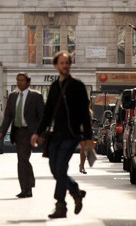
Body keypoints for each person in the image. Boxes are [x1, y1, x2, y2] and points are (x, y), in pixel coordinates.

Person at [31, 51, 93, 219]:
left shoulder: (77, 86)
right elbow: (47, 114)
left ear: (70, 65)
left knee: (61, 167)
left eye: (67, 63)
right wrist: (38, 133)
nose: (65, 66)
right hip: (56, 134)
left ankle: (60, 205)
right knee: (55, 169)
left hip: (72, 135)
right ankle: (75, 191)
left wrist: (88, 137)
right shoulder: (54, 87)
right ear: (56, 65)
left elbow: (85, 114)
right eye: (62, 63)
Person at [0, 73, 44, 198]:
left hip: (30, 132)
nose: (19, 82)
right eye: (18, 80)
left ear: (28, 82)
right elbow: (8, 116)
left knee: (23, 158)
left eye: (22, 80)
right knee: (21, 160)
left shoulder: (36, 96)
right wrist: (1, 131)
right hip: (18, 132)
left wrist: (40, 133)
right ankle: (25, 188)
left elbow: (42, 117)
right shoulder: (13, 97)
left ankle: (28, 187)